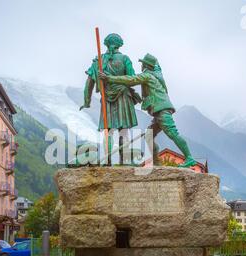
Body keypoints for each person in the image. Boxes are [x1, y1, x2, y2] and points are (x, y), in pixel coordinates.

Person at [98, 53, 197, 168]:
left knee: (173, 133)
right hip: (159, 111)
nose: (141, 65)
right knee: (149, 135)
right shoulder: (158, 73)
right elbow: (157, 65)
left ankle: (189, 157)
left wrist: (109, 78)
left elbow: (131, 79)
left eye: (143, 63)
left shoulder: (147, 76)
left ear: (145, 65)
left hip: (162, 110)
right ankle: (156, 162)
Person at [81, 33, 141, 164]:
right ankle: (124, 161)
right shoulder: (125, 59)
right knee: (123, 130)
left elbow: (89, 84)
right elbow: (133, 79)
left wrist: (87, 102)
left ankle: (107, 160)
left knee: (108, 131)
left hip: (106, 97)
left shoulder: (98, 61)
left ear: (106, 44)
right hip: (124, 97)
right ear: (119, 44)